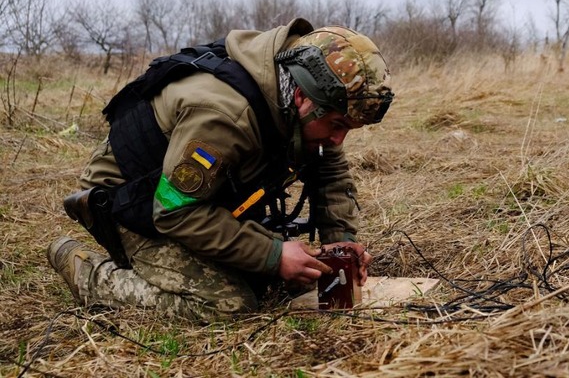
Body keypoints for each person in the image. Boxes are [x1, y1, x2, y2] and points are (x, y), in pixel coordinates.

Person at [46, 18, 394, 321]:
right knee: (229, 304)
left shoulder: (298, 99)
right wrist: (271, 254)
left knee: (284, 278)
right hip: (130, 203)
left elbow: (329, 168)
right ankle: (87, 273)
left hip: (196, 199)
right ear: (303, 98)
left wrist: (342, 249)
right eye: (336, 125)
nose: (338, 139)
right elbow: (173, 211)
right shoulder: (224, 116)